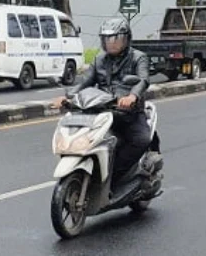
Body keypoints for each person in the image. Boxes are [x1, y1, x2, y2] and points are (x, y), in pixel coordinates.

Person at [52, 18, 151, 184]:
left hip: (128, 113)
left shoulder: (138, 58)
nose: (111, 43)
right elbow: (85, 83)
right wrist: (67, 97)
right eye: (106, 39)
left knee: (141, 139)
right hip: (102, 110)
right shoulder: (99, 60)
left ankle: (119, 177)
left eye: (115, 39)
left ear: (126, 39)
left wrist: (132, 97)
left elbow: (143, 80)